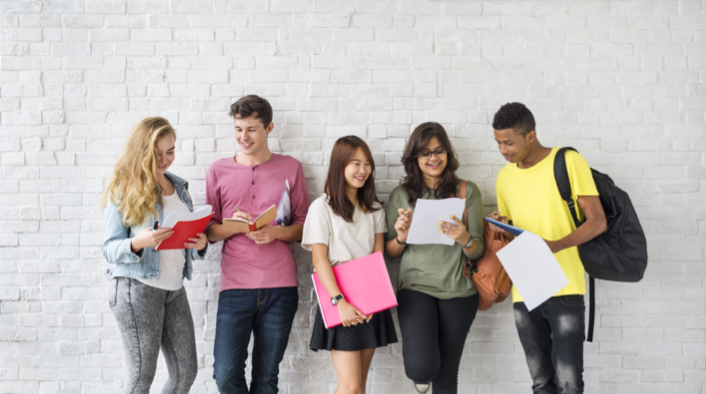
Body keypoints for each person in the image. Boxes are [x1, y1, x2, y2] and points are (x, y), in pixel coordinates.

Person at [489, 102, 607, 394]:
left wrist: (554, 246)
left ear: (531, 136)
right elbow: (513, 234)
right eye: (498, 143)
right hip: (525, 289)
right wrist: (500, 226)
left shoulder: (567, 161)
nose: (503, 150)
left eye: (509, 142)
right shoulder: (505, 176)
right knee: (541, 384)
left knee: (568, 384)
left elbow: (598, 222)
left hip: (565, 288)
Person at [205, 95, 310, 394]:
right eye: (238, 129)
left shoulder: (291, 168)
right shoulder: (217, 171)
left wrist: (276, 233)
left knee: (266, 379)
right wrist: (233, 227)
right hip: (235, 287)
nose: (243, 137)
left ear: (269, 128)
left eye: (251, 129)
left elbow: (304, 228)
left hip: (281, 287)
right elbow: (209, 232)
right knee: (225, 375)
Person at [101, 117, 208, 394]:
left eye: (170, 151)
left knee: (185, 372)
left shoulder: (180, 188)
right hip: (137, 289)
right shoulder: (125, 188)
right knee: (140, 377)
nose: (165, 159)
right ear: (142, 150)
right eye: (157, 153)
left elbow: (185, 239)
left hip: (174, 290)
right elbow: (109, 249)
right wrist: (138, 242)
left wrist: (199, 244)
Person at [385, 122, 485, 394]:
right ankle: (423, 375)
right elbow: (390, 255)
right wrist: (402, 236)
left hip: (460, 291)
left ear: (447, 154)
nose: (433, 158)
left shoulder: (467, 191)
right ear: (414, 157)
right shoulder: (401, 196)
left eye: (439, 151)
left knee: (446, 375)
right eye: (425, 152)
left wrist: (464, 237)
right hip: (416, 288)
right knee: (421, 367)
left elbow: (478, 250)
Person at [301, 136, 398, 394]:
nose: (363, 170)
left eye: (367, 164)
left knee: (360, 387)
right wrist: (339, 301)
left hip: (370, 298)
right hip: (339, 296)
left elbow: (377, 257)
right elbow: (318, 260)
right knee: (351, 387)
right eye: (356, 163)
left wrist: (374, 301)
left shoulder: (374, 208)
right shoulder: (321, 207)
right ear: (340, 165)